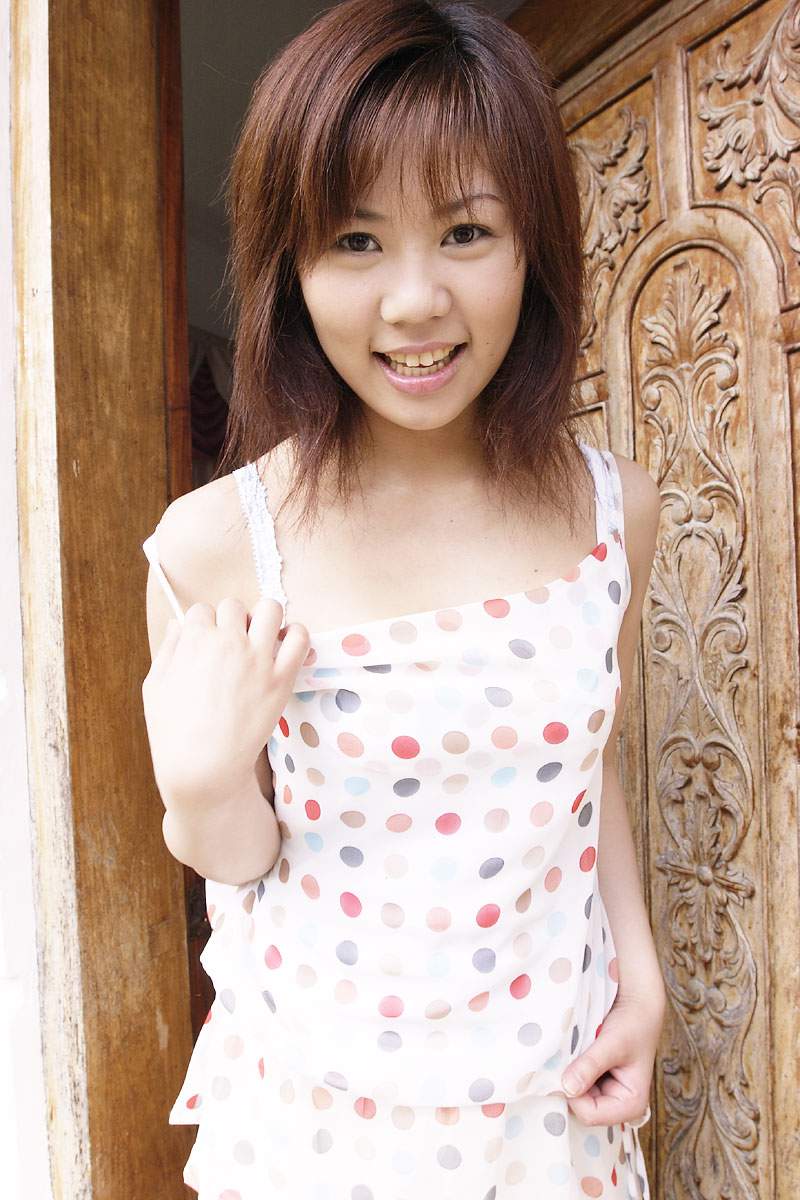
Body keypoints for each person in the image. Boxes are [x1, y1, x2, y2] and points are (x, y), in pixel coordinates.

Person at [141, 0, 666, 1196]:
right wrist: (201, 786)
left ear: (532, 248)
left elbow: (583, 768)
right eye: (356, 241)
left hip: (548, 1120)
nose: (414, 301)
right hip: (321, 1132)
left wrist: (639, 979)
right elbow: (238, 860)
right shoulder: (218, 546)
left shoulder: (612, 511)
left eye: (465, 231)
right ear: (290, 266)